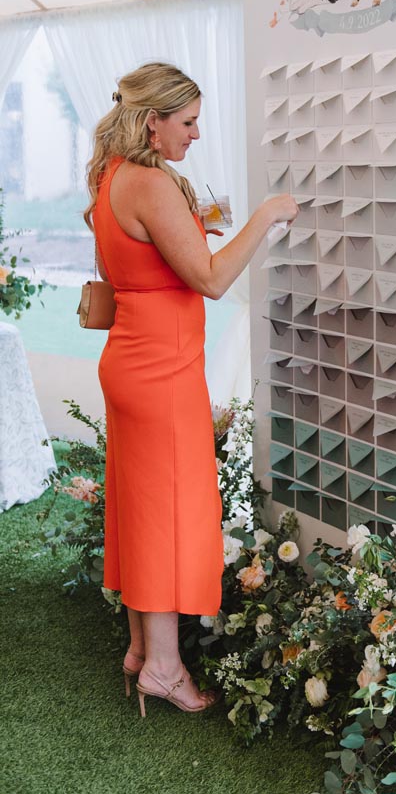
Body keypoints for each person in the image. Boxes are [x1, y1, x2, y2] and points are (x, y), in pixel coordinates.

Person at [84, 62, 298, 716]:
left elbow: (132, 261)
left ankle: (141, 651)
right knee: (168, 520)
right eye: (188, 122)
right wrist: (262, 218)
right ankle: (165, 670)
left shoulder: (113, 176)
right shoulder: (148, 183)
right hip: (159, 373)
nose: (197, 134)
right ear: (153, 120)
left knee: (140, 509)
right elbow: (207, 278)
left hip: (134, 363)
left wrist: (198, 216)